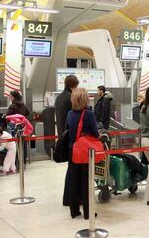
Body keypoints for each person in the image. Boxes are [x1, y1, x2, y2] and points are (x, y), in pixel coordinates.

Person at [66, 88, 99, 219]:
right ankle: (88, 212)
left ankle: (74, 211)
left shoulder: (69, 114)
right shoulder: (89, 114)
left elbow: (67, 130)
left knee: (73, 181)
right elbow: (96, 133)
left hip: (72, 150)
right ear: (85, 99)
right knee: (87, 182)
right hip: (86, 152)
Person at [54, 75, 79, 206]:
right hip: (72, 138)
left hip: (63, 136)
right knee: (74, 170)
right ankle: (71, 199)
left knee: (71, 169)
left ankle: (68, 198)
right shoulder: (71, 98)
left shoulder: (59, 97)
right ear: (75, 85)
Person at [2, 91, 30, 163]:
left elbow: (7, 116)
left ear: (14, 97)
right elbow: (28, 113)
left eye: (11, 97)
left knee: (13, 144)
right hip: (22, 127)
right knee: (22, 143)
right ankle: (23, 160)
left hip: (13, 128)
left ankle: (15, 161)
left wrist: (5, 116)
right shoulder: (23, 104)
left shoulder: (12, 106)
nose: (10, 98)